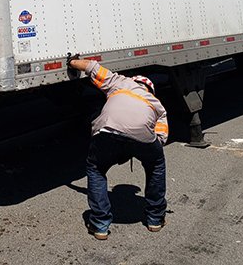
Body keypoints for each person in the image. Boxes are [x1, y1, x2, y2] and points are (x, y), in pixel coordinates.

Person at [67, 53, 168, 240]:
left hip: (107, 132)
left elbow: (92, 67)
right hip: (142, 136)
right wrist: (148, 149)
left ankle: (100, 225)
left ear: (134, 81)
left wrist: (72, 62)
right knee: (156, 165)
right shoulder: (157, 104)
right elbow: (161, 136)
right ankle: (155, 219)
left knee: (96, 169)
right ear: (149, 89)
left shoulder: (119, 82)